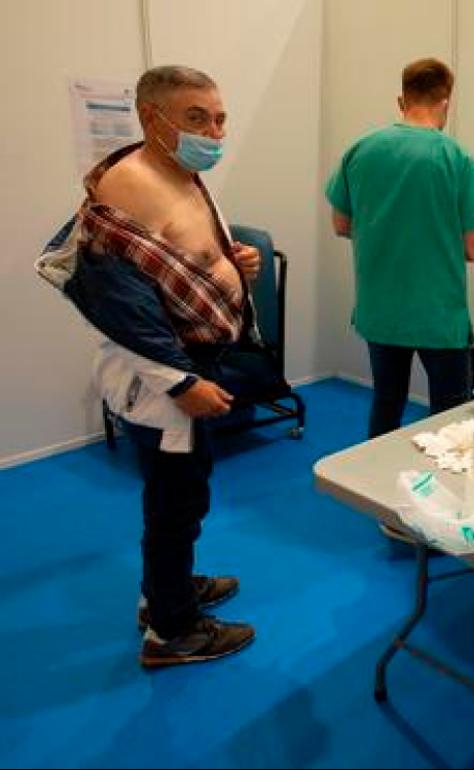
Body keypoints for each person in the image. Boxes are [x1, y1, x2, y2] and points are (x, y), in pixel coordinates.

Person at [50, 67, 259, 666]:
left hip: (187, 363)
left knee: (181, 494)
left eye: (219, 119)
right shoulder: (129, 185)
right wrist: (183, 381)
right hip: (162, 375)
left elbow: (181, 258)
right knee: (175, 501)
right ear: (151, 118)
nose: (213, 132)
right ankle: (172, 632)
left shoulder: (180, 175)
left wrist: (233, 262)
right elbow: (120, 303)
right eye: (196, 118)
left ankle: (165, 591)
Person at [327, 58, 474, 437]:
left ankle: (376, 471)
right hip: (438, 315)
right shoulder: (458, 159)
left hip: (380, 310)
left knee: (387, 402)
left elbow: (341, 224)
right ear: (446, 102)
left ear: (401, 100)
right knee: (450, 414)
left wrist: (385, 235)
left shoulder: (361, 150)